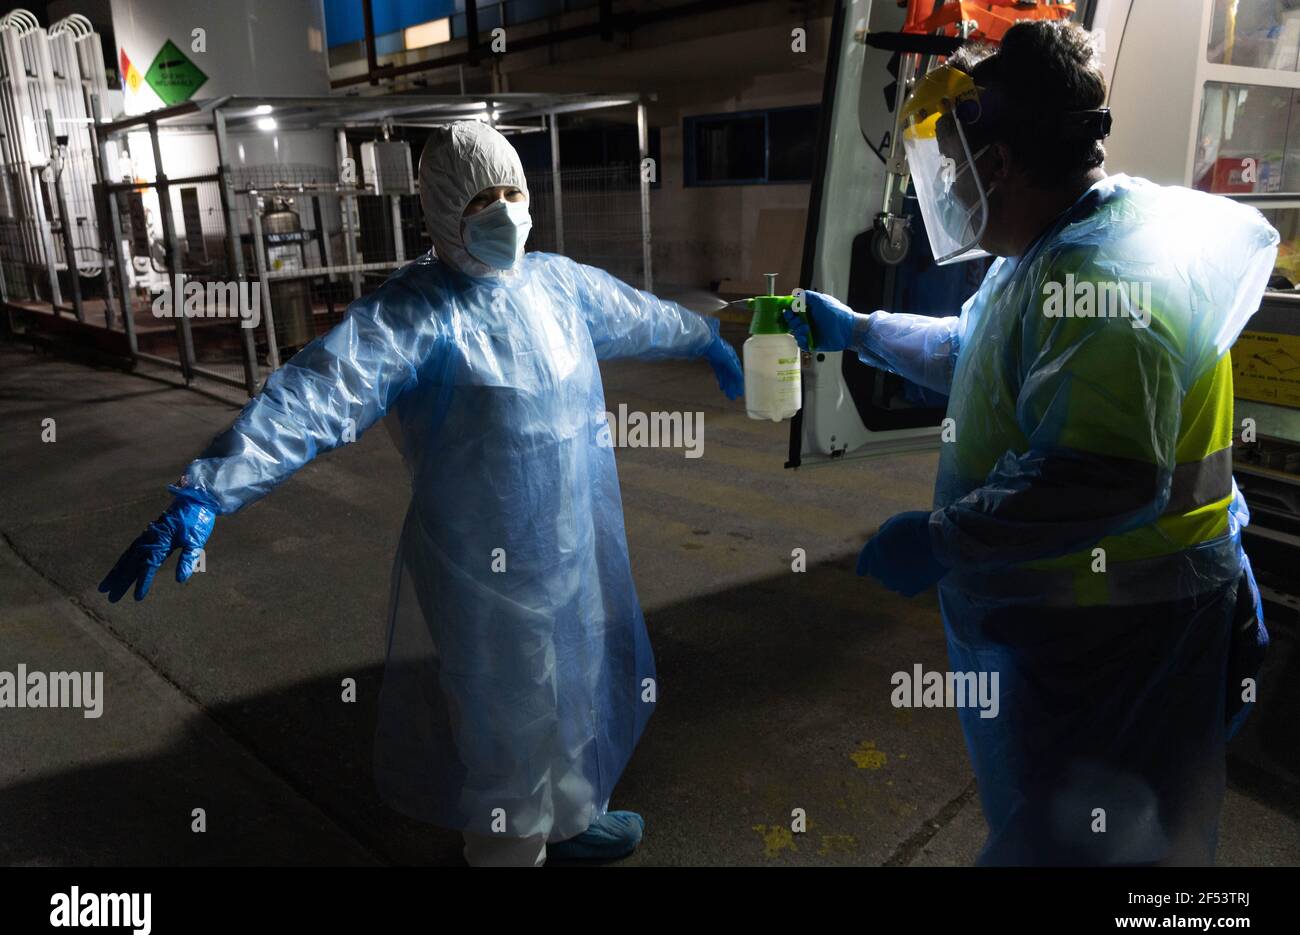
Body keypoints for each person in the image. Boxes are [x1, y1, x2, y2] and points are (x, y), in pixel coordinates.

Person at [100, 120, 744, 867]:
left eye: (513, 192)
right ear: (440, 210)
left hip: (571, 543)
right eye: (481, 199)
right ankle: (507, 856)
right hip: (485, 569)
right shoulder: (414, 312)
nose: (504, 211)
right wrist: (210, 488)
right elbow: (317, 396)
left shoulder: (558, 284)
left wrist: (701, 336)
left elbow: (638, 314)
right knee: (507, 715)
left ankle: (569, 817)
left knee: (575, 687)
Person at [786, 21, 1275, 865]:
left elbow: (1104, 479)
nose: (953, 189)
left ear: (1002, 163)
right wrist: (862, 332)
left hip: (1128, 641)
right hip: (1082, 627)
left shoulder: (1107, 280)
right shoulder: (1055, 249)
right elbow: (977, 354)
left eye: (956, 165)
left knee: (1111, 849)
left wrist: (944, 539)